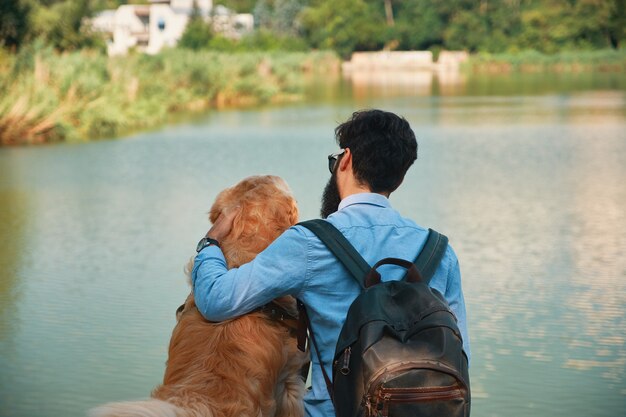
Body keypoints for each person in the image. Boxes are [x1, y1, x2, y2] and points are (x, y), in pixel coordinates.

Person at [192, 109, 470, 417]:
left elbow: (216, 300)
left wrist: (210, 243)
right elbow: (461, 354)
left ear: (345, 160)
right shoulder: (440, 251)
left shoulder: (310, 242)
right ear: (401, 178)